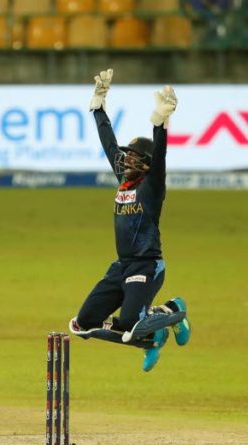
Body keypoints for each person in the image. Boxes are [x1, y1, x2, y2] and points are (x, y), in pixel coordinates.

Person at [68, 68, 192, 372]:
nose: (126, 160)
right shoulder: (124, 179)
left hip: (147, 266)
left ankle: (173, 309)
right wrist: (98, 107)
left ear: (147, 166)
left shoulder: (152, 187)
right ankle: (154, 335)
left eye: (134, 157)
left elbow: (160, 155)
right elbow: (109, 143)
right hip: (121, 267)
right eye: (127, 157)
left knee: (128, 326)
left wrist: (161, 124)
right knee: (82, 325)